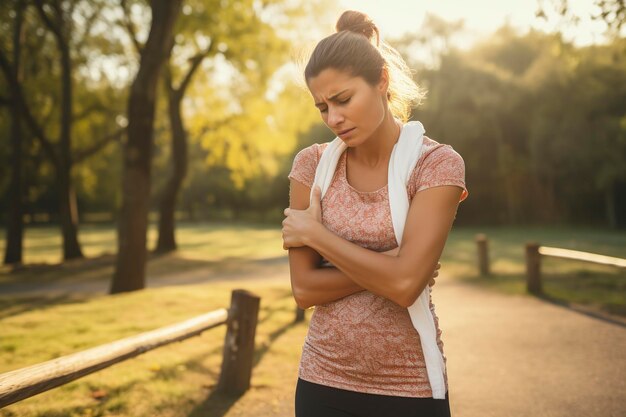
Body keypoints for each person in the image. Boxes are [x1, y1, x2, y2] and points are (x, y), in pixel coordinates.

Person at [281, 10, 469, 417]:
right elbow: (304, 291)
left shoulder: (436, 165)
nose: (333, 119)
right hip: (321, 381)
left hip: (410, 386)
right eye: (322, 107)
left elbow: (404, 287)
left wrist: (317, 236)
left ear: (381, 80)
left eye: (343, 100)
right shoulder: (311, 167)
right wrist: (391, 263)